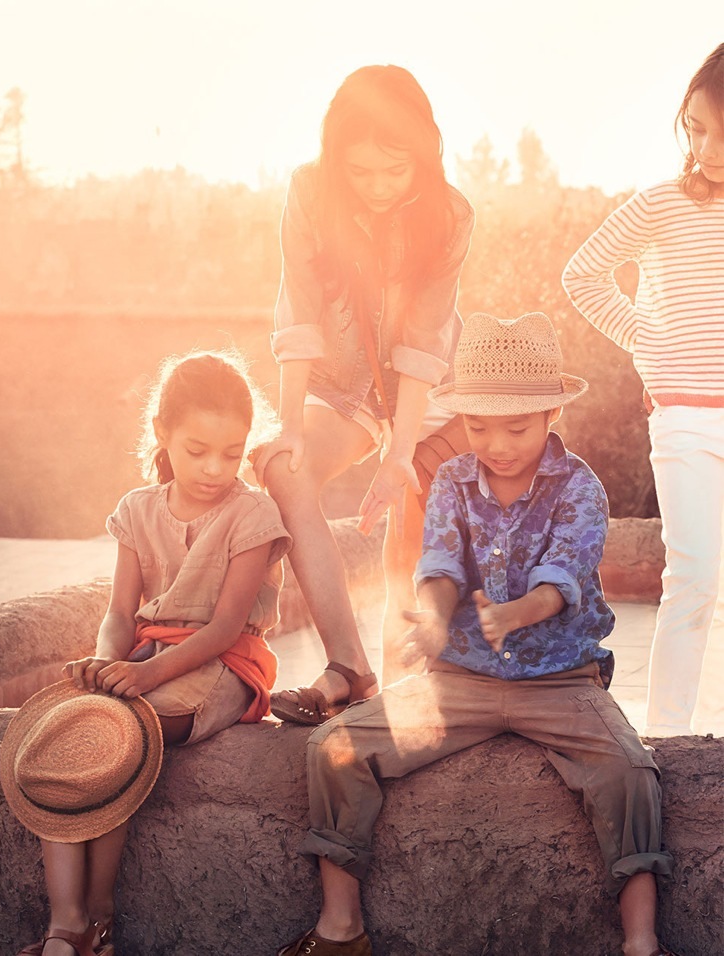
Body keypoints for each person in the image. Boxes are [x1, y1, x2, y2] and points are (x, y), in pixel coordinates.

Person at [277, 313, 677, 956]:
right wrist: (435, 619)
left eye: (515, 426)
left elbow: (561, 578)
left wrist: (515, 614)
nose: (496, 443)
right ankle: (340, 929)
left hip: (559, 682)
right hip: (459, 681)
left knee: (631, 772)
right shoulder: (454, 484)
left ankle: (641, 941)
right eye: (477, 425)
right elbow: (438, 566)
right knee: (334, 749)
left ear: (552, 415)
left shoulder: (579, 488)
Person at [0, 350, 291, 956]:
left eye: (232, 453)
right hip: (143, 659)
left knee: (120, 735)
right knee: (66, 734)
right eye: (197, 450)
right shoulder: (137, 510)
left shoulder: (252, 513)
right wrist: (109, 660)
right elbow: (118, 612)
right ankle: (64, 923)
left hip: (221, 662)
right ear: (163, 432)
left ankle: (98, 916)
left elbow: (226, 626)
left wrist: (145, 673)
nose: (215, 468)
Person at [253, 64, 474, 723]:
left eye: (394, 170)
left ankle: (405, 703)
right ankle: (347, 665)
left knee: (409, 529)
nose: (378, 188)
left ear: (425, 154)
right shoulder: (308, 191)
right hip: (340, 388)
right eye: (361, 172)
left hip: (428, 392)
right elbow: (298, 314)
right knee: (279, 468)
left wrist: (399, 451)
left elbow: (425, 341)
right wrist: (290, 422)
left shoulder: (452, 212)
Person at [563, 43, 724, 738]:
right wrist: (645, 335)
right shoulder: (660, 203)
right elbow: (583, 274)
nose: (707, 146)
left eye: (723, 130)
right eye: (695, 127)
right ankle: (667, 739)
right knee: (693, 575)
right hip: (685, 419)